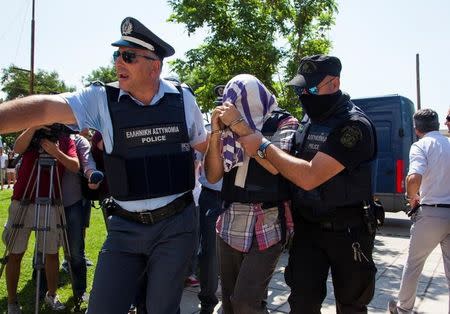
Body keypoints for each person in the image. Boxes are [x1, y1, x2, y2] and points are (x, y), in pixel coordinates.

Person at [0, 17, 207, 314]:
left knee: (161, 308)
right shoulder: (100, 99)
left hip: (176, 225)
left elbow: (203, 146)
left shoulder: (184, 100)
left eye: (128, 56)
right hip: (124, 227)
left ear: (154, 66)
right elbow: (44, 107)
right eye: (116, 55)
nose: (118, 63)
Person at [238, 55, 378, 313]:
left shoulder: (353, 126)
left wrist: (262, 146)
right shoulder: (309, 119)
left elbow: (309, 176)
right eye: (301, 88)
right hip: (308, 230)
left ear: (334, 84)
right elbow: (286, 165)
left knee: (351, 304)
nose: (304, 95)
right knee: (302, 302)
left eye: (311, 89)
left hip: (348, 232)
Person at [204, 74, 297, 313]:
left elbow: (277, 166)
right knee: (229, 302)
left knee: (245, 302)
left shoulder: (284, 122)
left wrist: (240, 127)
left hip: (267, 220)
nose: (230, 105)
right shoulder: (227, 126)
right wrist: (215, 133)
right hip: (230, 219)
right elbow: (213, 175)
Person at [2, 126, 79, 313]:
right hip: (23, 200)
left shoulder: (64, 139)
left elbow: (75, 166)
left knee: (52, 253)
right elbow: (18, 148)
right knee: (15, 253)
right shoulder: (32, 134)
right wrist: (34, 127)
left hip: (51, 202)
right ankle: (12, 301)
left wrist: (56, 152)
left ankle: (52, 294)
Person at [388, 109, 450, 314]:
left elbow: (413, 178)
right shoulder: (448, 144)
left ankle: (404, 309)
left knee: (414, 264)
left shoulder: (421, 146)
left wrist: (411, 197)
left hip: (431, 212)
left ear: (416, 128)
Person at [60, 133, 100, 307]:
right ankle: (44, 288)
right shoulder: (41, 138)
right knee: (45, 250)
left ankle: (80, 292)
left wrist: (92, 175)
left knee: (76, 252)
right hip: (46, 202)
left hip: (72, 201)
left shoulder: (77, 140)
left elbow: (86, 164)